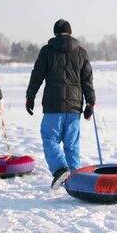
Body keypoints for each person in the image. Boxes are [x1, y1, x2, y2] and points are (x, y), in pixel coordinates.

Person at [26, 19, 96, 189]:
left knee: (50, 137)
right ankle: (77, 182)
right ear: (70, 32)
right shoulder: (81, 52)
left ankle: (59, 169)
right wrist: (90, 102)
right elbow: (87, 79)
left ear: (55, 33)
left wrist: (30, 96)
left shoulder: (47, 51)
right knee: (72, 144)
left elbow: (37, 76)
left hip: (53, 105)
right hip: (74, 106)